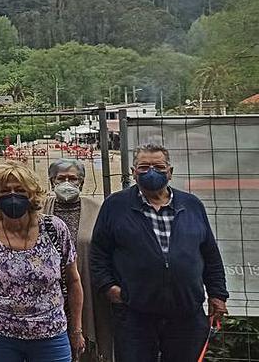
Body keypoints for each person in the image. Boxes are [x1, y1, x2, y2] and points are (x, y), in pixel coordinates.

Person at [91, 143, 228, 362]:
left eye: (158, 166)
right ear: (133, 173)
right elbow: (98, 253)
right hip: (134, 313)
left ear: (170, 172)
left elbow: (210, 254)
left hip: (186, 312)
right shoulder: (115, 206)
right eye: (144, 167)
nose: (151, 172)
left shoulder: (192, 205)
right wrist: (110, 288)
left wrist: (218, 294)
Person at [0, 162, 84, 362]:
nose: (13, 195)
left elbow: (73, 281)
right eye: (5, 190)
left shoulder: (54, 228)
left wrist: (76, 330)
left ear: (32, 195)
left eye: (20, 190)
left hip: (50, 332)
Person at [42, 158, 111, 362]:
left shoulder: (99, 211)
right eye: (61, 178)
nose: (67, 183)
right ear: (52, 181)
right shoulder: (38, 209)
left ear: (81, 182)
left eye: (73, 178)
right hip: (48, 290)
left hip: (86, 284)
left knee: (84, 342)